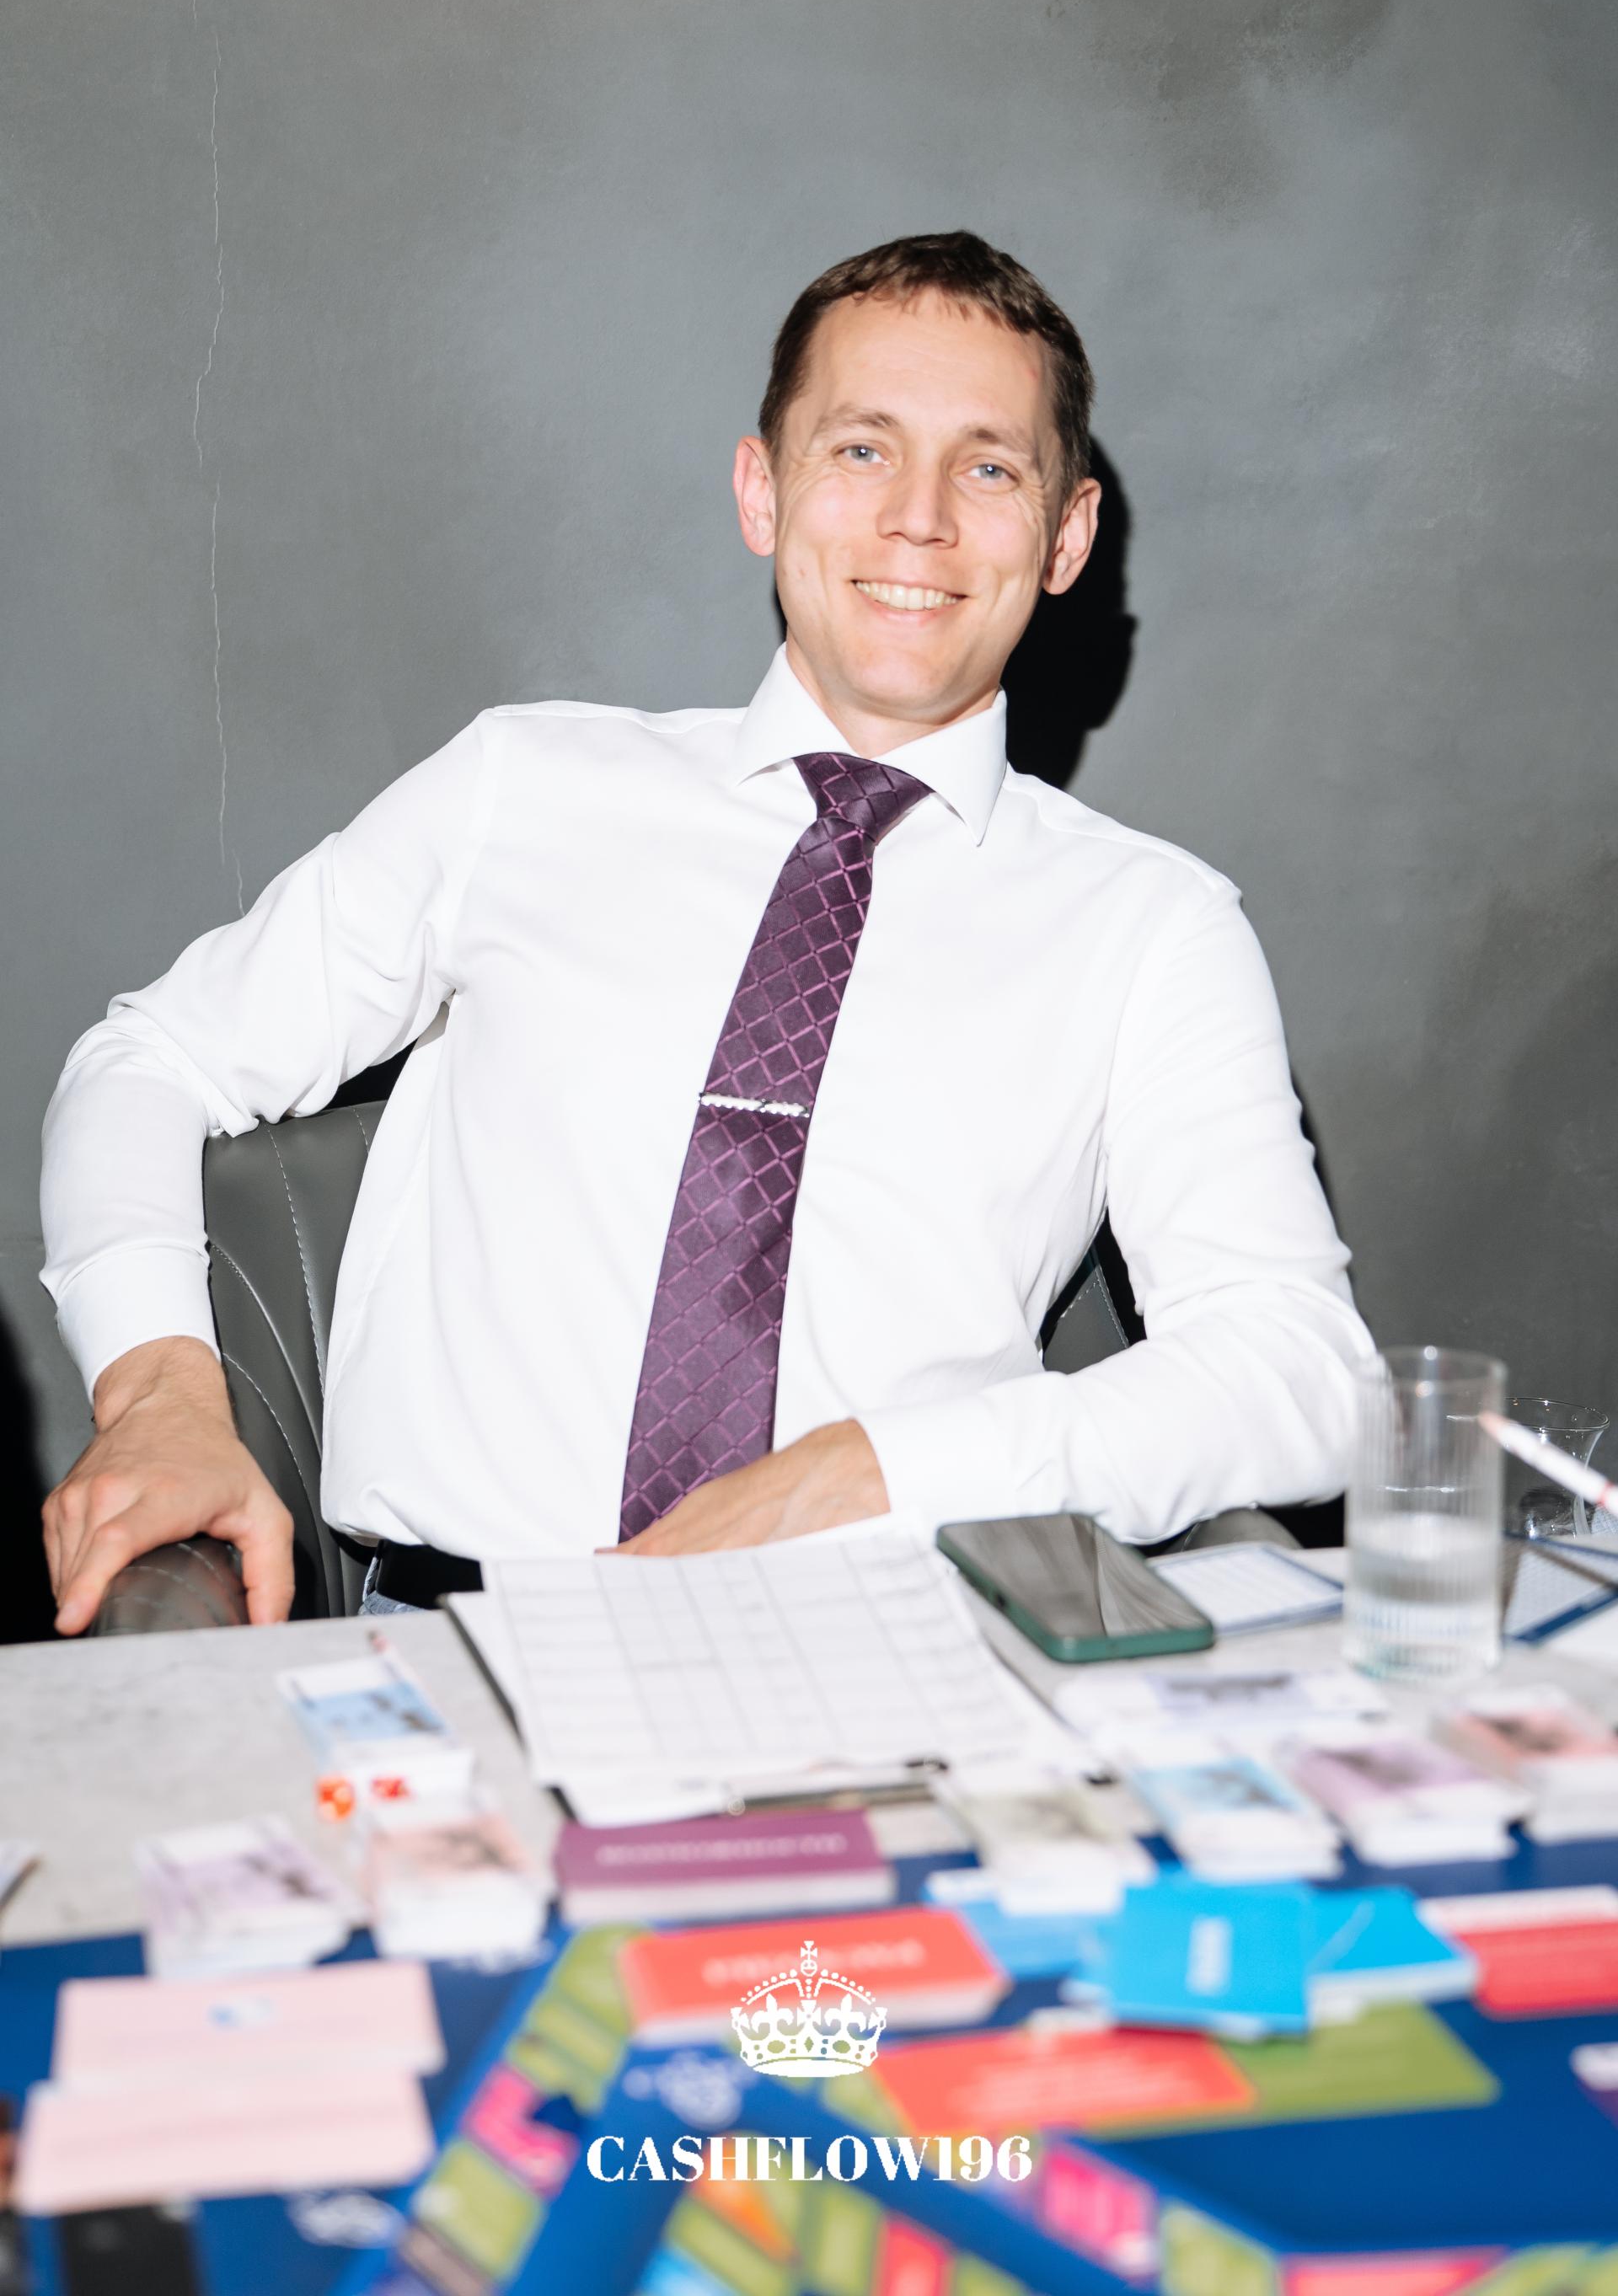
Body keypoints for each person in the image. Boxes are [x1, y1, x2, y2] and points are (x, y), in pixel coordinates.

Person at [39, 231, 1371, 1634]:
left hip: (893, 1653)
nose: (918, 518)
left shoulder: (1155, 929)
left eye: (989, 469)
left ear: (1066, 537)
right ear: (761, 490)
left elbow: (1303, 1371)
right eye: (861, 449)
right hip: (459, 1646)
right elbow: (148, 1063)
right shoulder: (518, 786)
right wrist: (160, 1397)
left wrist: (867, 1476)